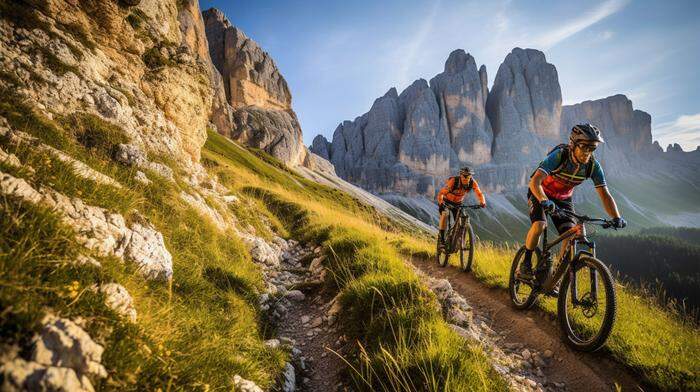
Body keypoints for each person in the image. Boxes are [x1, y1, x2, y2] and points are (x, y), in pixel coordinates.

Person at [520, 123, 626, 281]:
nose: (587, 152)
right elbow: (535, 182)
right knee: (539, 225)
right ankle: (526, 263)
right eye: (584, 146)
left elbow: (605, 195)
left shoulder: (593, 166)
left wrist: (616, 217)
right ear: (573, 144)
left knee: (571, 236)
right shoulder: (560, 155)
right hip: (540, 192)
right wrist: (544, 200)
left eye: (592, 148)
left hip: (563, 198)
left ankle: (554, 279)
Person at [436, 167, 486, 247]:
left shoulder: (472, 182)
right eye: (464, 176)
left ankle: (458, 240)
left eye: (468, 176)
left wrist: (482, 202)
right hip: (446, 201)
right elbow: (441, 193)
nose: (465, 179)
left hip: (458, 203)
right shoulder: (453, 181)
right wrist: (441, 203)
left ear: (470, 176)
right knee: (444, 214)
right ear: (460, 175)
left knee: (462, 220)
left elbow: (479, 193)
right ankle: (442, 240)